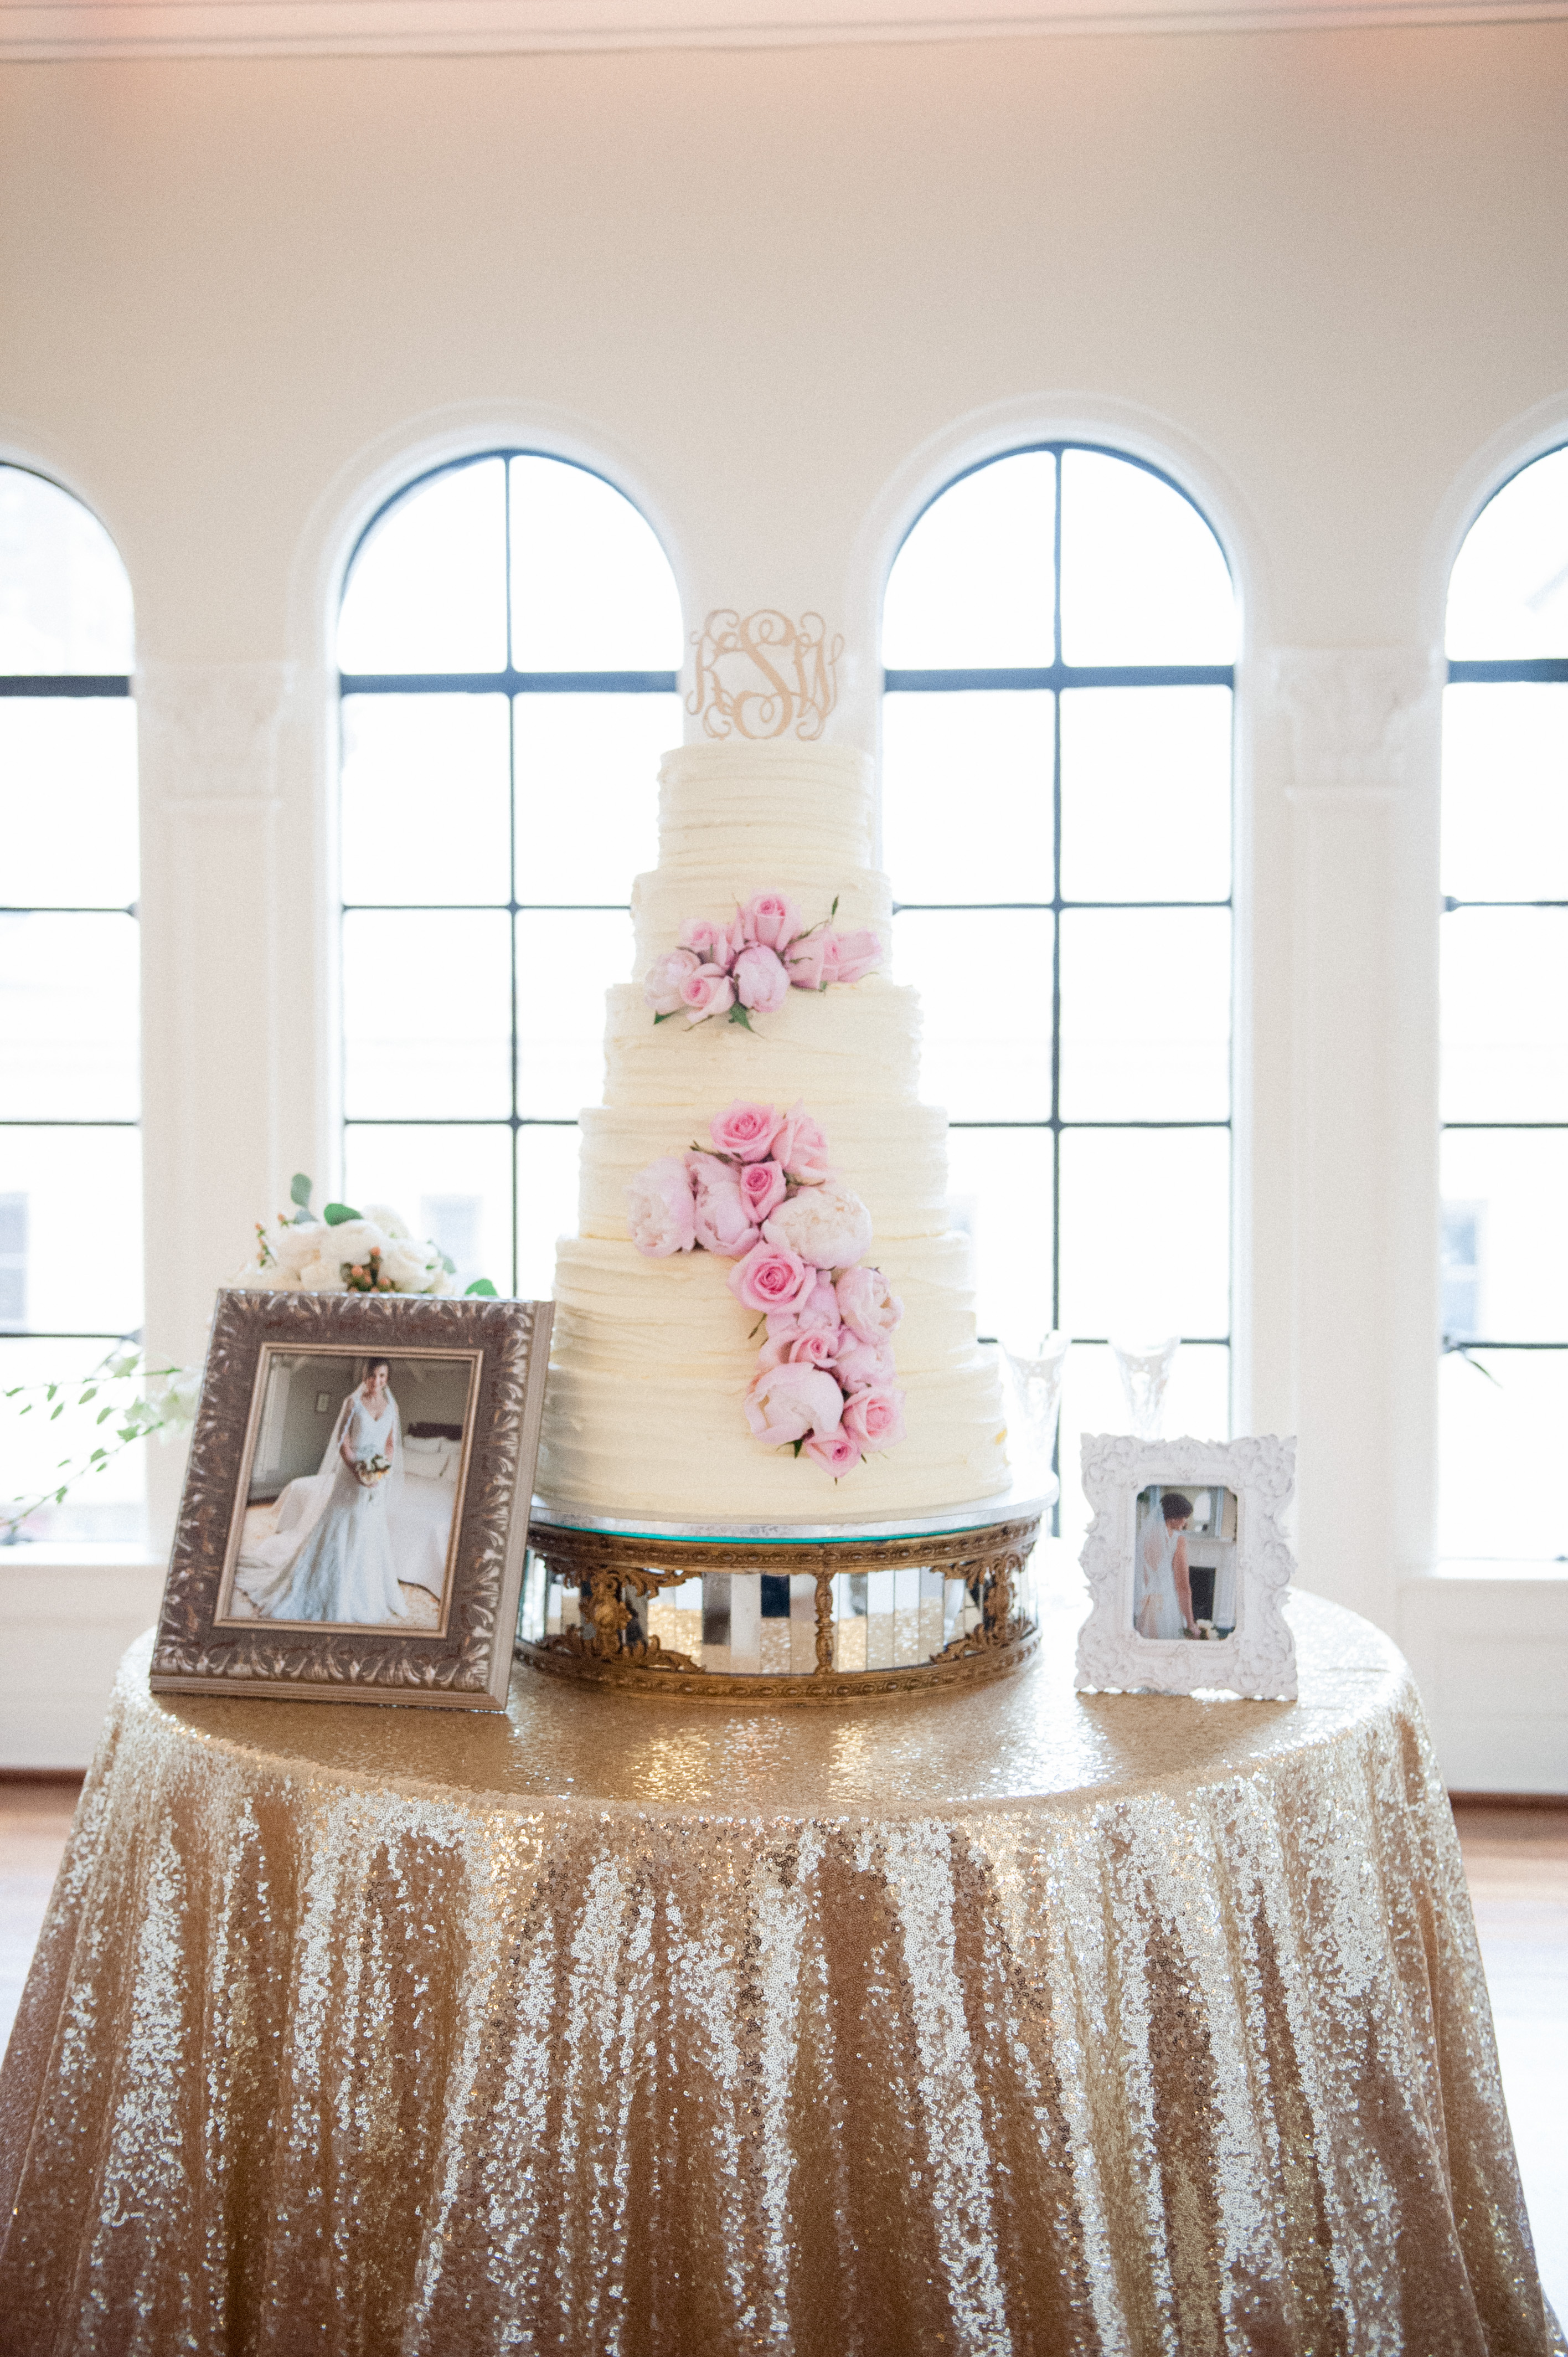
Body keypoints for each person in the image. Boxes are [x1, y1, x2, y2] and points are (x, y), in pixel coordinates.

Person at [237, 1358, 409, 1624]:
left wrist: (378, 1472)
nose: (377, 1382)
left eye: (383, 1376)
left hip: (376, 1481)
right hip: (351, 1477)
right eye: (373, 1376)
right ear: (365, 1376)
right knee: (338, 1527)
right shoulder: (352, 1403)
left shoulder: (392, 1408)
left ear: (388, 1378)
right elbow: (344, 1444)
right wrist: (359, 1473)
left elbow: (390, 1446)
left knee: (367, 1530)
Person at [1134, 1489, 1199, 1640]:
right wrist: (1191, 1624)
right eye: (1184, 1517)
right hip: (1167, 1607)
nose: (1186, 1522)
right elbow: (1183, 1586)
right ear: (1174, 1518)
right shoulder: (1178, 1541)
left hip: (1146, 1608)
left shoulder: (1143, 1539)